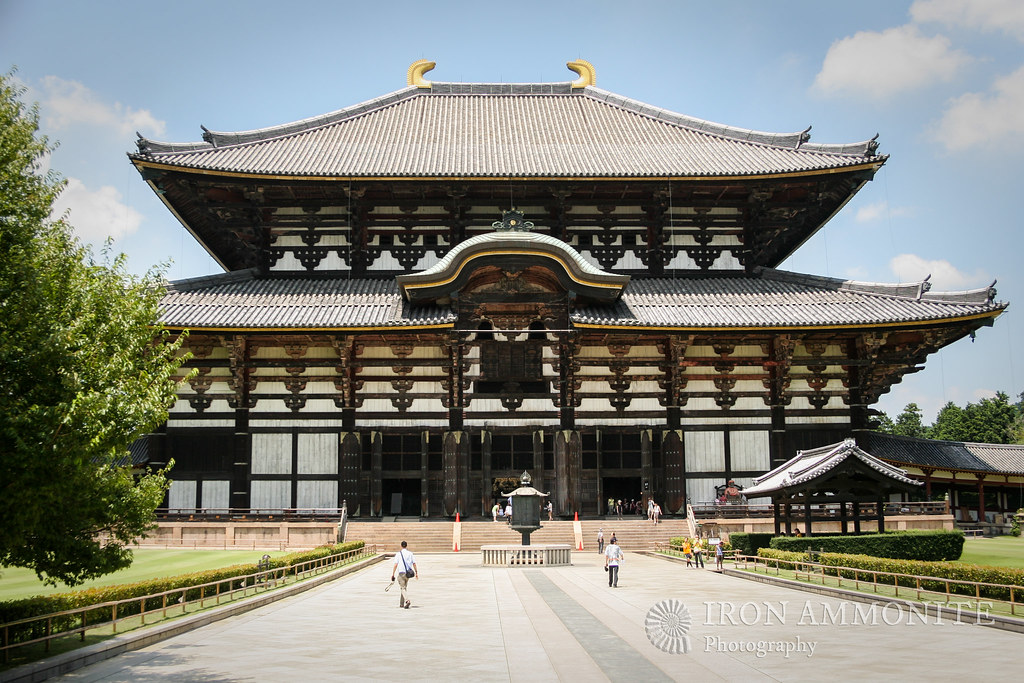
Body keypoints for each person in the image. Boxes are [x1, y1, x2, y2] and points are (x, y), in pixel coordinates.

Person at [391, 540, 418, 609]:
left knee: (402, 588)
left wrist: (393, 574)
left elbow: (395, 564)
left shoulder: (398, 554)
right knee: (404, 588)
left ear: (401, 546)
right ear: (406, 546)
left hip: (401, 573)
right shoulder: (410, 553)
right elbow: (414, 563)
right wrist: (416, 572)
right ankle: (401, 604)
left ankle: (407, 600)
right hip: (408, 574)